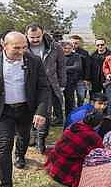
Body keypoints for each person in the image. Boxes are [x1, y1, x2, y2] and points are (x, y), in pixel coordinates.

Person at [0, 31, 50, 187]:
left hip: (25, 109)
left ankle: (20, 155)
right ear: (4, 45)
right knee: (4, 146)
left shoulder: (34, 61)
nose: (21, 51)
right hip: (2, 111)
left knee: (24, 137)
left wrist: (40, 111)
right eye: (16, 48)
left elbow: (43, 87)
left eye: (24, 47)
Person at [26, 24, 65, 153]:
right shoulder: (23, 47)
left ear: (43, 34)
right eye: (32, 38)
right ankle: (32, 135)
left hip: (48, 85)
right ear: (26, 35)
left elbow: (61, 67)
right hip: (28, 85)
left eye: (38, 37)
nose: (35, 40)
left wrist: (62, 84)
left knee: (45, 114)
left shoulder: (55, 47)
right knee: (29, 112)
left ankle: (40, 140)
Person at [44, 112, 104, 187]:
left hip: (54, 164)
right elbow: (101, 155)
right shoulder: (93, 137)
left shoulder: (74, 126)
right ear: (97, 124)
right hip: (66, 172)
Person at [62, 41, 82, 120]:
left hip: (70, 82)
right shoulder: (58, 56)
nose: (67, 50)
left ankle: (69, 117)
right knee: (57, 101)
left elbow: (77, 67)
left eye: (69, 48)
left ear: (72, 48)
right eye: (65, 48)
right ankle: (58, 117)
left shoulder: (76, 56)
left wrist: (62, 68)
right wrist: (69, 68)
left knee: (69, 101)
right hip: (58, 81)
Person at [70, 35, 90, 106]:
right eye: (72, 43)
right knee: (70, 98)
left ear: (79, 43)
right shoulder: (65, 51)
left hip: (80, 79)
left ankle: (79, 111)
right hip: (69, 79)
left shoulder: (84, 53)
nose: (74, 45)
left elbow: (87, 66)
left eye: (76, 43)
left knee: (81, 97)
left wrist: (86, 79)